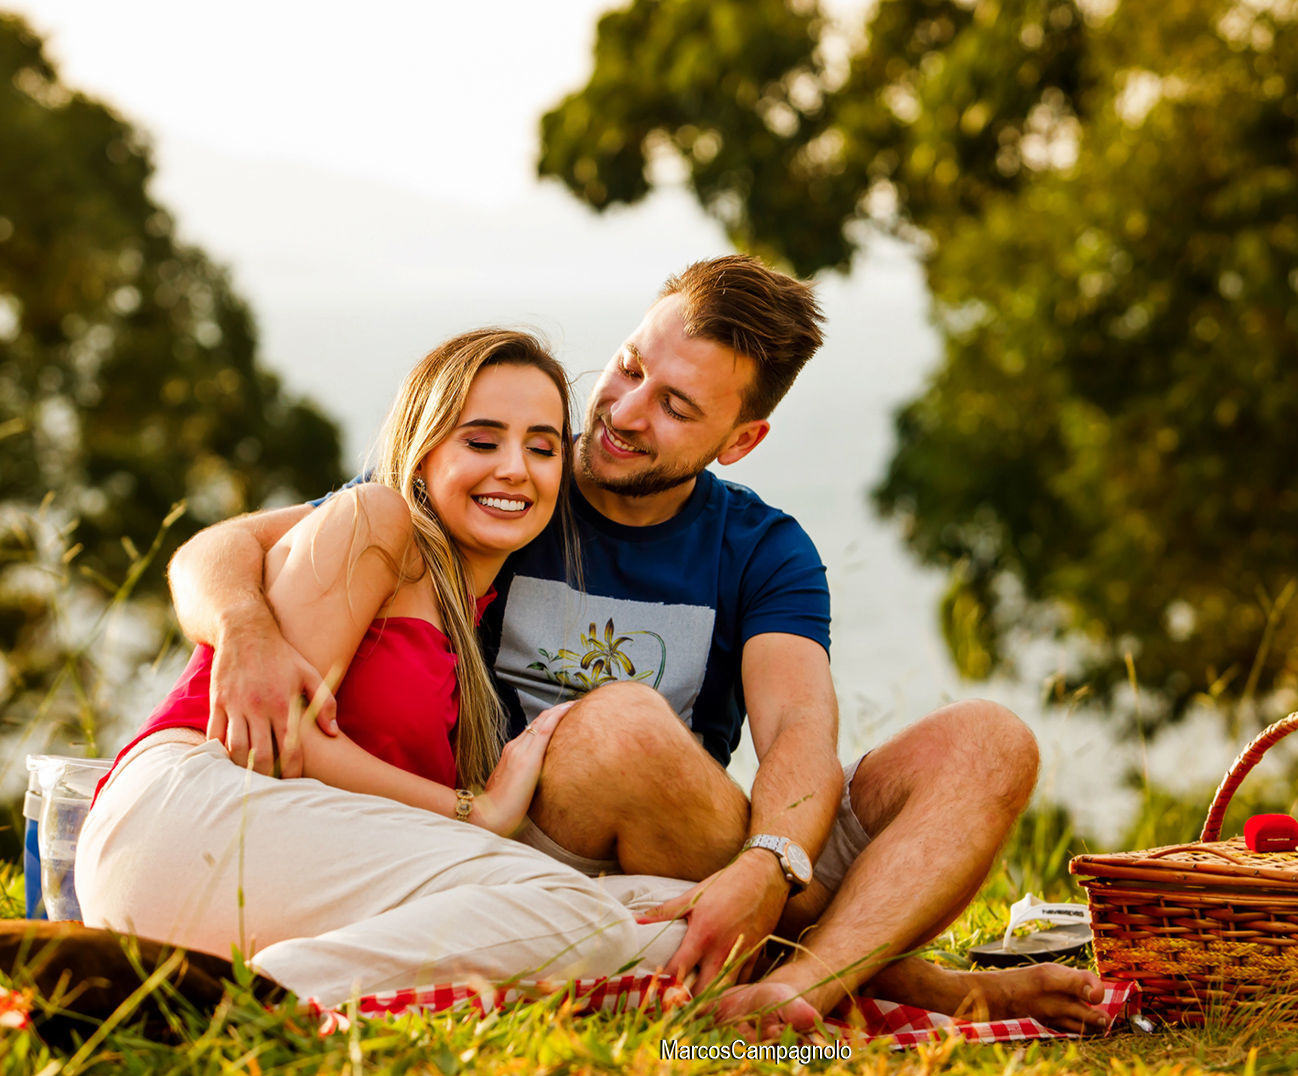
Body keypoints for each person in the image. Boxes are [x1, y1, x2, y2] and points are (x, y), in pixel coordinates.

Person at [166, 257, 1110, 1034]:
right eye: (626, 368)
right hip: (512, 841)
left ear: (740, 440)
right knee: (620, 724)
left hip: (691, 847)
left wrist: (767, 864)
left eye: (675, 407)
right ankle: (903, 977)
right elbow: (226, 547)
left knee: (988, 740)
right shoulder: (511, 472)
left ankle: (799, 986)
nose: (622, 411)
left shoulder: (760, 546)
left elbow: (797, 730)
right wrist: (245, 627)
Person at [75, 330, 689, 1004]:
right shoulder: (376, 520)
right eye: (481, 442)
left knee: (677, 921)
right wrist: (475, 812)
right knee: (579, 918)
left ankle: (277, 988)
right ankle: (257, 1009)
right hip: (192, 814)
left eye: (542, 449)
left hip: (274, 866)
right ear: (422, 453)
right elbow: (279, 742)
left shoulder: (465, 619)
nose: (515, 469)